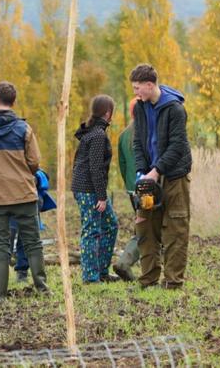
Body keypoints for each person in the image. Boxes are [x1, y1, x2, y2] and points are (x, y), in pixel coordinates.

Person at [0, 81, 48, 301]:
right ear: (13, 102)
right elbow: (34, 162)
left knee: (0, 245)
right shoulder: (23, 128)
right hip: (23, 193)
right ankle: (42, 287)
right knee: (32, 242)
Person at [129, 64, 193, 289]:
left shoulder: (175, 109)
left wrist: (156, 171)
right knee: (145, 226)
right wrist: (142, 172)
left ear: (149, 85)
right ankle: (148, 280)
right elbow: (138, 142)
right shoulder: (140, 107)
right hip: (148, 178)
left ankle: (173, 282)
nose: (135, 92)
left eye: (137, 88)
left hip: (174, 176)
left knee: (176, 227)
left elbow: (177, 146)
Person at [71, 95, 119, 283]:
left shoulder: (94, 132)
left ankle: (101, 271)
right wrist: (101, 196)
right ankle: (90, 277)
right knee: (91, 230)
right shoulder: (97, 135)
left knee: (111, 224)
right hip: (88, 189)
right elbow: (96, 168)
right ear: (108, 113)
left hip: (88, 188)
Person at [112, 98, 142, 281]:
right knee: (146, 229)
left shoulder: (124, 135)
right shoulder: (147, 132)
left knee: (143, 225)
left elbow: (122, 166)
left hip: (132, 189)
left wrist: (129, 186)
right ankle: (125, 262)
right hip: (148, 187)